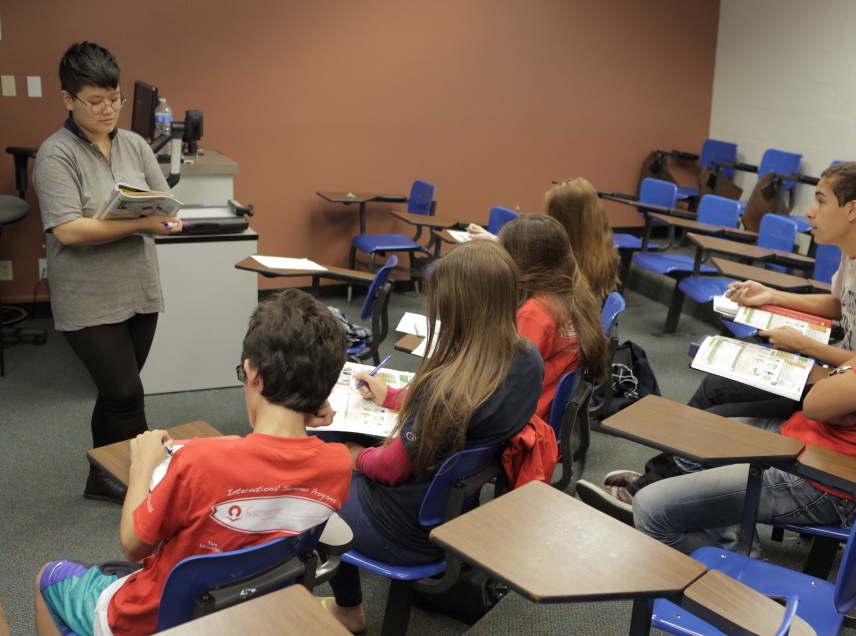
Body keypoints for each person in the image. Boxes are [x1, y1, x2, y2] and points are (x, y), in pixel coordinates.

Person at [631, 193, 856, 555]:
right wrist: (842, 384)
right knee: (688, 442)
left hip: (827, 480)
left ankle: (743, 589)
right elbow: (850, 370)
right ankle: (736, 546)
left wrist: (837, 389)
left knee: (651, 509)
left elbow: (816, 402)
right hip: (815, 447)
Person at [580, 161, 856, 512]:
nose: (810, 211)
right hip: (827, 374)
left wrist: (803, 345)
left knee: (721, 408)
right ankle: (659, 478)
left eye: (821, 201)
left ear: (852, 210)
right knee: (716, 384)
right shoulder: (852, 253)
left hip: (838, 392)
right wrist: (772, 295)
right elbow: (840, 304)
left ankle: (656, 485)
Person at [34, 288, 353, 636]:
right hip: (253, 611)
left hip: (155, 616)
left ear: (252, 373)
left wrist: (141, 464)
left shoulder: (201, 462)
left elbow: (135, 545)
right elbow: (280, 470)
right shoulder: (338, 464)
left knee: (49, 577)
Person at [324, 240, 543, 633]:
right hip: (453, 511)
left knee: (319, 473)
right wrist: (392, 396)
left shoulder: (447, 388)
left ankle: (348, 610)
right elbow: (467, 410)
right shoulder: (526, 359)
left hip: (403, 528)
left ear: (461, 308)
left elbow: (389, 468)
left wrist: (352, 453)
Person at [32, 42, 184, 504]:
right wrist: (139, 222)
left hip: (138, 288)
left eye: (114, 98)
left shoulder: (135, 144)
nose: (107, 110)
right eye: (94, 101)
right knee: (125, 392)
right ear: (68, 99)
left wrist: (167, 220)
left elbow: (164, 204)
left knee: (115, 392)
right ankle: (145, 485)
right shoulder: (55, 155)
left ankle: (102, 474)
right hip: (88, 296)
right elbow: (68, 230)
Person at [498, 214, 609, 422]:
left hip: (524, 417)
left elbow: (505, 379)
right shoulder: (572, 295)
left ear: (519, 261)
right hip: (546, 408)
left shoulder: (534, 315)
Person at [467, 177, 620, 299]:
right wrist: (493, 238)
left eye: (552, 214)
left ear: (566, 220)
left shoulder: (564, 260)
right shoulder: (601, 249)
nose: (548, 218)